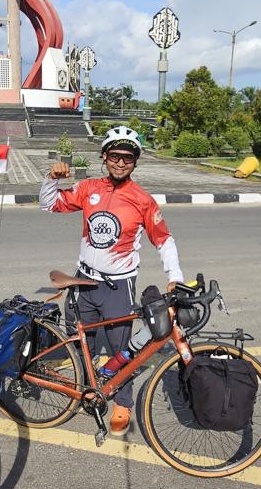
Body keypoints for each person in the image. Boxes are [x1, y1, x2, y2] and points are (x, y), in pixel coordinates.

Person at [39, 126, 183, 435]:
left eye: (128, 158)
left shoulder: (142, 200)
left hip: (118, 286)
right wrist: (52, 179)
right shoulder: (89, 187)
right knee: (82, 346)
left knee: (123, 350)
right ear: (104, 157)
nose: (120, 163)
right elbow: (49, 204)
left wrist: (175, 277)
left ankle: (123, 403)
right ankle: (86, 391)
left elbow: (164, 240)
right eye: (115, 156)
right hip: (83, 282)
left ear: (135, 162)